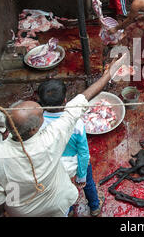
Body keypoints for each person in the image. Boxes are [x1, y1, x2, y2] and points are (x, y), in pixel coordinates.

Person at [0, 58, 123, 217]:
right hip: (55, 206)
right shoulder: (50, 140)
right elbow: (85, 97)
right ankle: (91, 207)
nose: (42, 110)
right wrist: (109, 73)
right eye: (40, 112)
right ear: (34, 129)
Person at [38, 79, 102, 217]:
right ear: (65, 100)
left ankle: (69, 210)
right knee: (88, 184)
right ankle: (95, 207)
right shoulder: (76, 123)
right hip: (76, 164)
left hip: (56, 167)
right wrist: (81, 175)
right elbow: (83, 153)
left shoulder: (39, 124)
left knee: (64, 190)